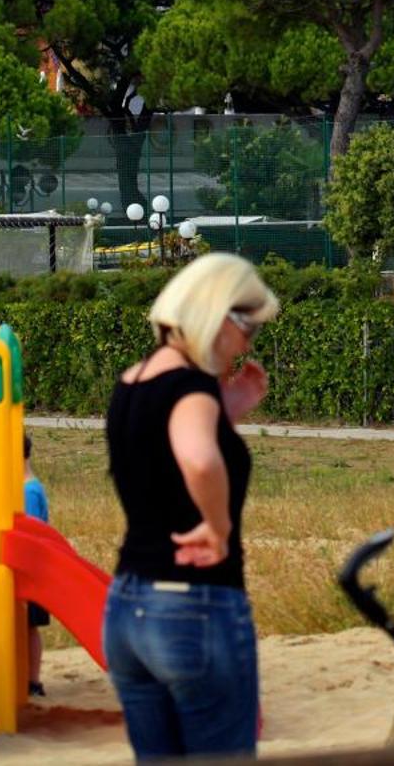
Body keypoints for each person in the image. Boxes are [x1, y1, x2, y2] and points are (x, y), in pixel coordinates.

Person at [103, 253, 275, 758]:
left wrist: (227, 414)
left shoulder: (133, 382)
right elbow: (198, 463)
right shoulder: (192, 388)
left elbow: (163, 460)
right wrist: (217, 527)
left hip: (128, 609)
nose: (248, 344)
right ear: (221, 318)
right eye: (250, 329)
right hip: (193, 605)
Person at [24, 431, 52, 698]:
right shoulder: (28, 487)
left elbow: (33, 532)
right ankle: (28, 678)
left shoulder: (29, 491)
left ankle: (33, 680)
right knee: (24, 625)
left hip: (33, 571)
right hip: (30, 570)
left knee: (29, 627)